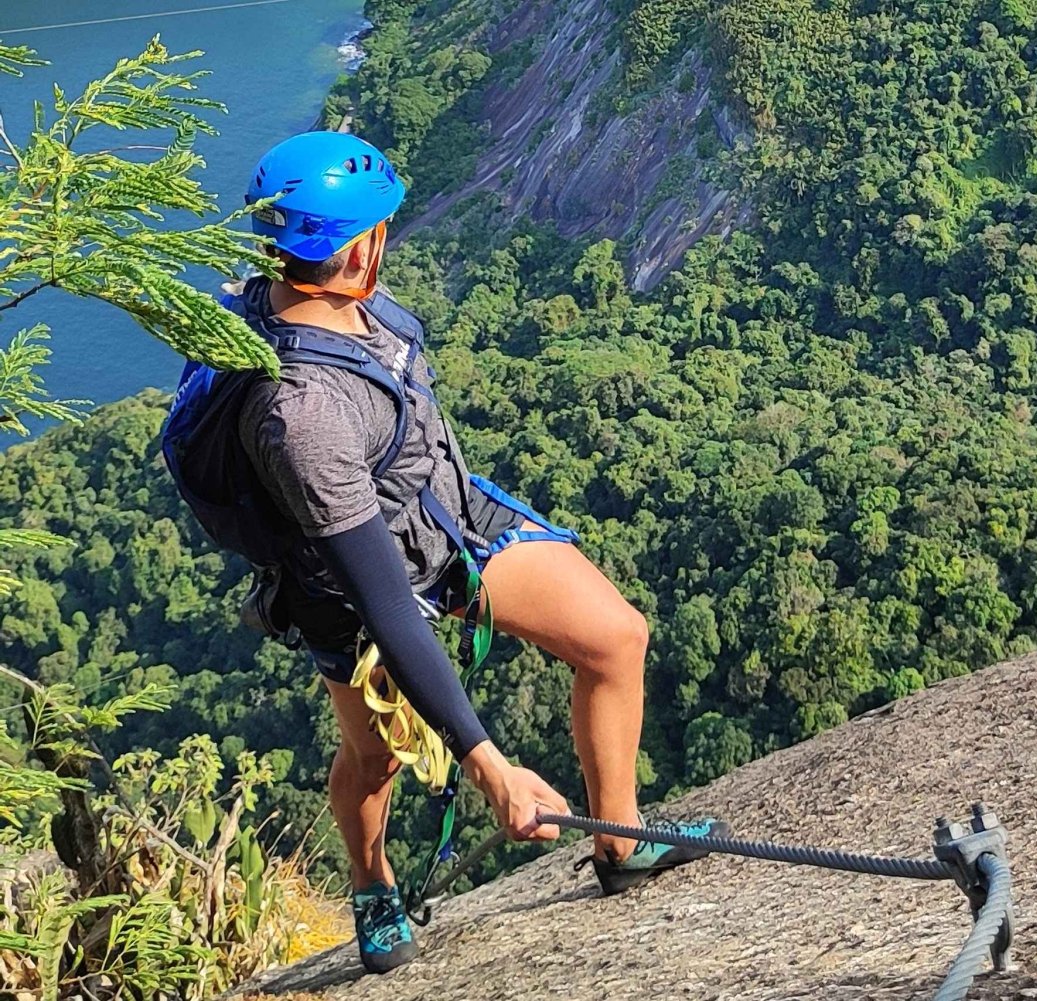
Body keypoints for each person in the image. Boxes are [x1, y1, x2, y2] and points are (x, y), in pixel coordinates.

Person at [231, 132, 726, 973]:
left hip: (444, 513)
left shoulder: (328, 299)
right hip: (345, 584)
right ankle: (372, 882)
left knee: (615, 637)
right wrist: (488, 763)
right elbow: (386, 602)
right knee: (376, 755)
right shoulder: (303, 416)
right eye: (381, 226)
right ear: (355, 249)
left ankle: (619, 838)